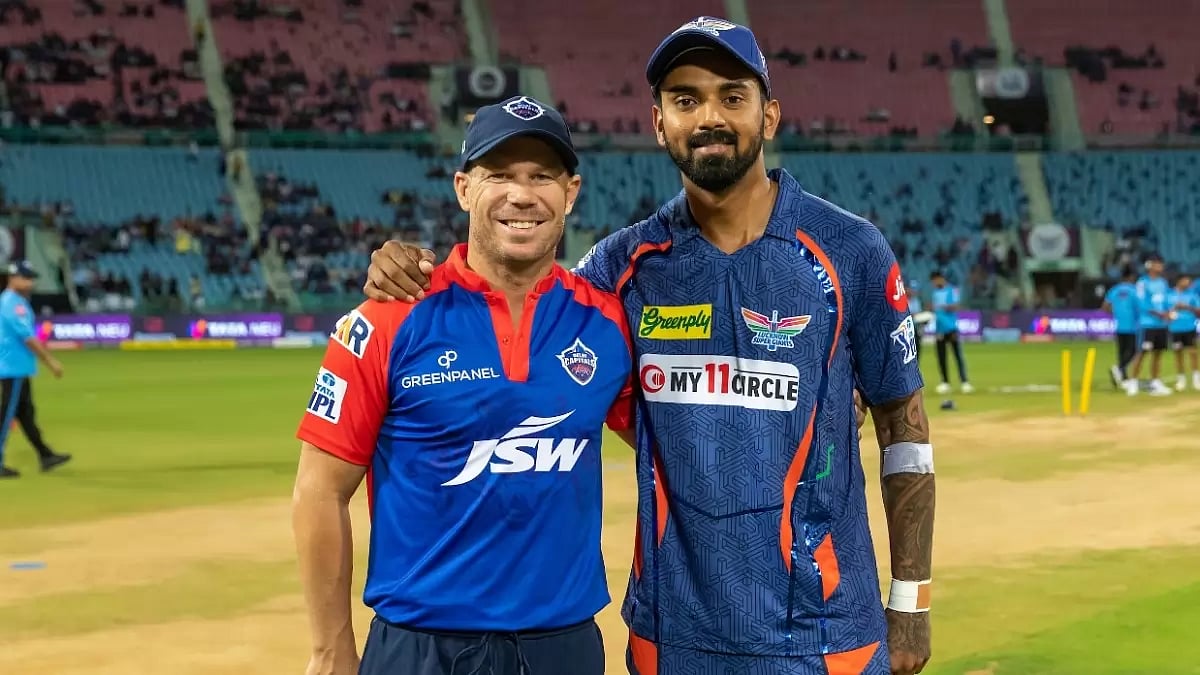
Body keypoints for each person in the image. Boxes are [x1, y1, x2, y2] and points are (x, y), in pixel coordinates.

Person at [360, 17, 936, 675]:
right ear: (660, 124)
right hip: (671, 637)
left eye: (732, 96)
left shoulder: (850, 250)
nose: (709, 116)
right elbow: (518, 295)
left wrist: (912, 602)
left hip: (826, 634)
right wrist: (411, 268)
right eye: (686, 99)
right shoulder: (621, 267)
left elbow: (905, 426)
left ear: (770, 116)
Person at [291, 96, 636, 675]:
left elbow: (674, 446)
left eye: (542, 176)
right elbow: (319, 491)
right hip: (421, 649)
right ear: (463, 188)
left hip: (562, 647)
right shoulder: (389, 317)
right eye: (499, 174)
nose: (521, 195)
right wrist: (331, 651)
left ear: (571, 192)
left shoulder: (607, 322)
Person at [0, 261, 70, 479]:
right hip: (13, 367)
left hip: (17, 366)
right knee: (7, 415)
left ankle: (45, 454)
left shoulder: (13, 302)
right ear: (13, 278)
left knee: (25, 414)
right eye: (26, 278)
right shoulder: (13, 304)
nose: (30, 283)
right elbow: (28, 337)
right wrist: (50, 361)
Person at [1124, 254, 1172, 396]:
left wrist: (1168, 313)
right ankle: (1133, 382)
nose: (1160, 266)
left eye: (1161, 264)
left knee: (1158, 353)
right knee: (1142, 353)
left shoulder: (1163, 283)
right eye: (1157, 264)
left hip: (1161, 325)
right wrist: (1159, 314)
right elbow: (1142, 303)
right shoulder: (1142, 283)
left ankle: (1155, 382)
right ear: (1149, 265)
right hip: (1148, 324)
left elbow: (1167, 300)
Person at [929, 270, 972, 394]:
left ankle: (964, 381)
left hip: (951, 327)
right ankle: (945, 382)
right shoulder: (935, 293)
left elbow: (955, 307)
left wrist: (941, 306)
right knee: (941, 357)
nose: (934, 283)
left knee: (957, 356)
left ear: (940, 279)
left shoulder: (951, 290)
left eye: (935, 280)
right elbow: (936, 311)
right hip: (939, 329)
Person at [1101, 266, 1141, 387]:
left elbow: (1105, 307)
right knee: (1133, 351)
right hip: (1133, 325)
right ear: (1131, 277)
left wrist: (1117, 313)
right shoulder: (1134, 290)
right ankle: (1119, 369)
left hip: (1119, 325)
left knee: (1122, 352)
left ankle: (1123, 377)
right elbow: (1140, 306)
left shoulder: (1114, 290)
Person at [1167, 273, 1200, 391]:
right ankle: (1181, 380)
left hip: (1189, 327)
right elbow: (1164, 309)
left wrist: (1186, 307)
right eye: (1186, 281)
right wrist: (1173, 309)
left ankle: (1196, 380)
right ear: (1179, 281)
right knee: (1178, 353)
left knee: (1193, 353)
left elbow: (1198, 310)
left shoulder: (1192, 295)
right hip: (1175, 328)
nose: (1188, 283)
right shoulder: (1169, 294)